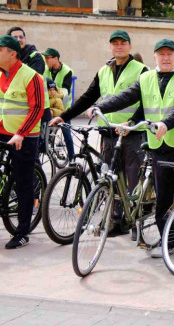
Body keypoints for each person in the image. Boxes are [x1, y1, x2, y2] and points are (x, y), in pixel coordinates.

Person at [93, 39, 174, 258]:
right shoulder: (146, 77)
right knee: (163, 199)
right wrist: (101, 106)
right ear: (154, 57)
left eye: (170, 54)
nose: (165, 58)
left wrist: (166, 123)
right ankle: (167, 243)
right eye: (161, 54)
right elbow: (128, 97)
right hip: (157, 147)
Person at [49, 30, 148, 233]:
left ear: (130, 46)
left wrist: (132, 121)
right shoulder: (104, 70)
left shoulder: (142, 70)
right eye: (115, 43)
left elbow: (148, 100)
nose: (119, 46)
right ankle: (117, 221)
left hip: (131, 133)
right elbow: (88, 97)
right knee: (111, 178)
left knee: (132, 180)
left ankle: (136, 222)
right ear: (110, 46)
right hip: (108, 131)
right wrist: (64, 116)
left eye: (123, 43)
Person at [0, 35, 45, 249]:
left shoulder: (31, 76)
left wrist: (21, 133)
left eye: (0, 49)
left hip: (24, 137)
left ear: (12, 52)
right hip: (2, 131)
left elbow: (37, 108)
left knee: (23, 182)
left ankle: (22, 232)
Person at [43, 48, 74, 159]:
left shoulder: (67, 71)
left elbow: (66, 90)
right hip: (50, 105)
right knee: (43, 133)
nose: (46, 60)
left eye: (48, 58)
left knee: (67, 134)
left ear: (56, 58)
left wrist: (53, 91)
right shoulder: (46, 69)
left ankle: (72, 159)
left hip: (64, 108)